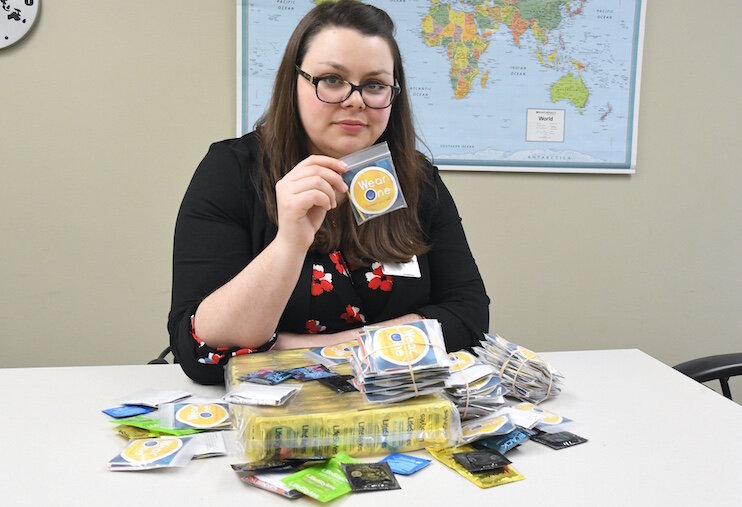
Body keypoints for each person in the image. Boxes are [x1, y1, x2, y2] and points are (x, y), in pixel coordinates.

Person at [168, 0, 489, 385]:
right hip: (269, 418)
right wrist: (288, 244)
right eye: (332, 80)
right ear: (294, 82)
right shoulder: (232, 171)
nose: (355, 100)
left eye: (374, 85)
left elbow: (469, 317)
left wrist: (313, 350)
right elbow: (201, 352)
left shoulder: (417, 179)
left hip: (394, 409)